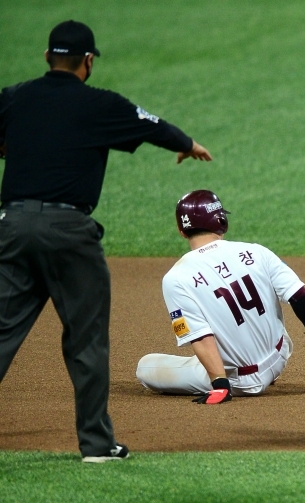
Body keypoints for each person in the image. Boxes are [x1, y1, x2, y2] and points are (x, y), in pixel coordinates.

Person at [0, 20, 212, 463]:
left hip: (12, 228)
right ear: (88, 61)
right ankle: (97, 446)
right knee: (86, 340)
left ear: (46, 58)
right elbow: (152, 125)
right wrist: (188, 143)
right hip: (69, 235)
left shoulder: (15, 97)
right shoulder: (99, 103)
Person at [136, 190, 305, 401]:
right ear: (221, 220)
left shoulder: (176, 278)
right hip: (279, 356)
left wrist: (220, 385)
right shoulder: (256, 252)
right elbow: (298, 297)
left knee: (145, 366)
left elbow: (200, 336)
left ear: (182, 230)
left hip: (239, 382)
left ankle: (221, 376)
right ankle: (265, 366)